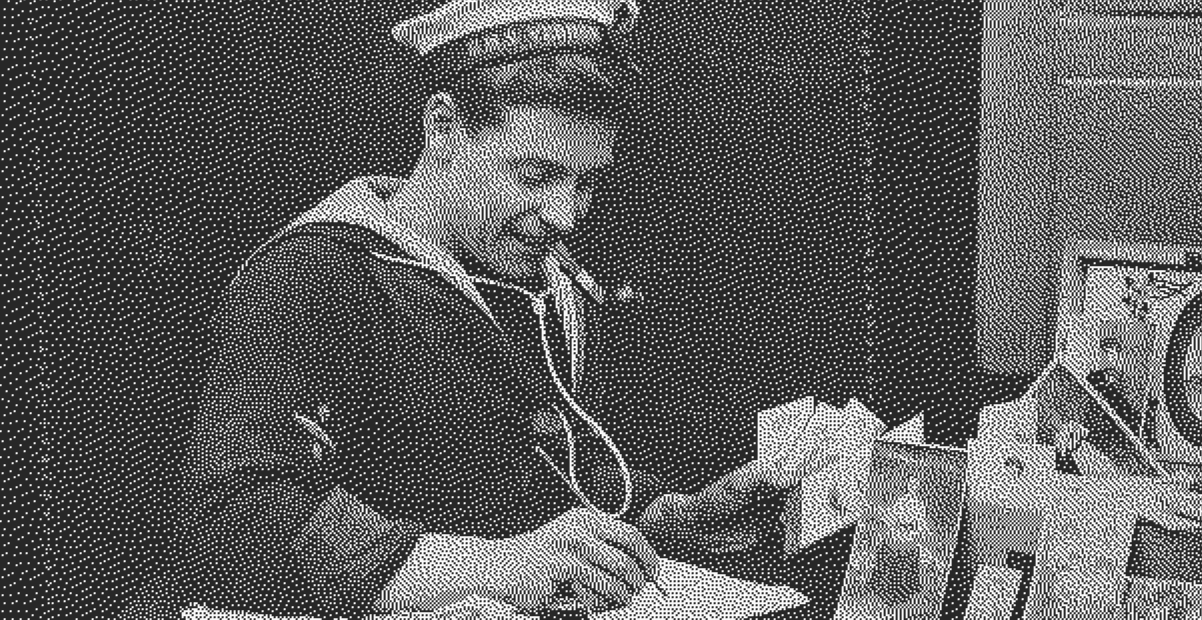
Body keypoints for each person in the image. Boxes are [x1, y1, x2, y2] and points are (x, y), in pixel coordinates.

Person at [119, 1, 806, 618]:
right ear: (443, 127)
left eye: (587, 182)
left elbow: (526, 463)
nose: (564, 215)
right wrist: (495, 567)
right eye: (535, 176)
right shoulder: (316, 275)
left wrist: (670, 519)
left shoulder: (540, 278)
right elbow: (231, 522)